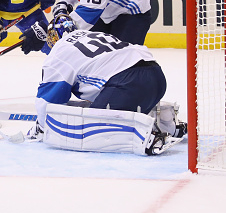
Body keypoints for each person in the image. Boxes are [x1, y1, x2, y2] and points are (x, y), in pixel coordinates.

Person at [24, 14, 181, 156]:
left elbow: (47, 104)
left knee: (92, 127)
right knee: (98, 105)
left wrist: (42, 128)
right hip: (156, 76)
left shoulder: (59, 52)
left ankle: (149, 137)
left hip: (128, 84)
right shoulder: (92, 34)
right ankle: (166, 120)